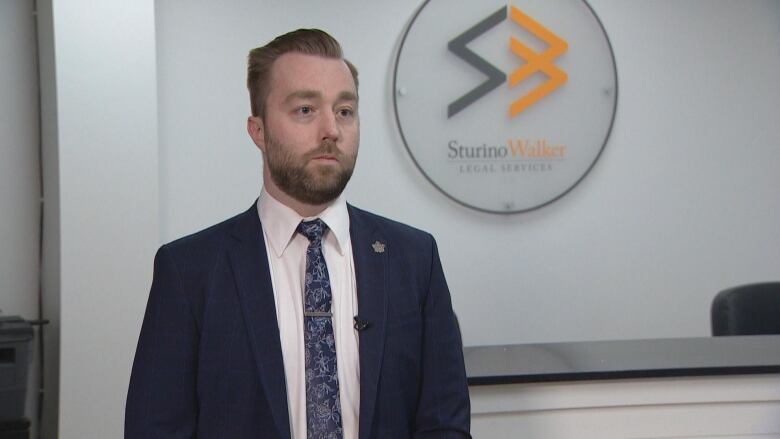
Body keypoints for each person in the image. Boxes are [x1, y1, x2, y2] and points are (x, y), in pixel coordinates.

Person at [125, 28, 470, 439]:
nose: (331, 129)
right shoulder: (189, 271)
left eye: (344, 111)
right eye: (305, 110)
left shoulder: (414, 259)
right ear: (259, 131)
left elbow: (445, 423)